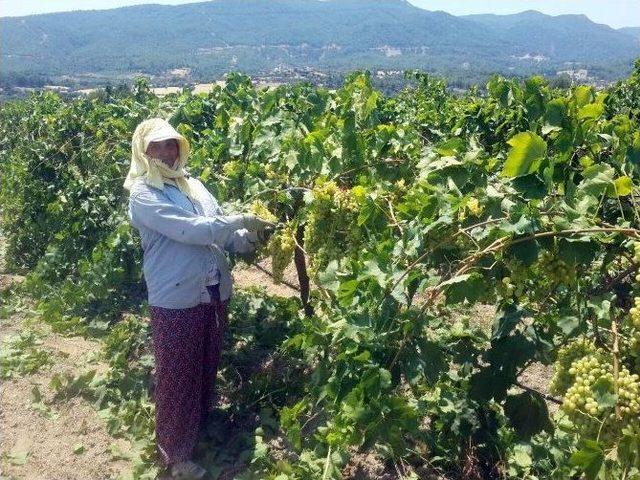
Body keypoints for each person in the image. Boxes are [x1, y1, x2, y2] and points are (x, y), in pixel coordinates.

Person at [124, 118, 273, 479]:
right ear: (143, 152)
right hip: (175, 297)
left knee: (206, 363)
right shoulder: (144, 193)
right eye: (156, 146)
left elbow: (220, 233)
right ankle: (176, 457)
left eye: (171, 144)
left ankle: (197, 428)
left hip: (211, 290)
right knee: (176, 375)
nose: (166, 152)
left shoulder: (196, 187)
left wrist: (253, 239)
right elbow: (191, 231)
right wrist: (242, 219)